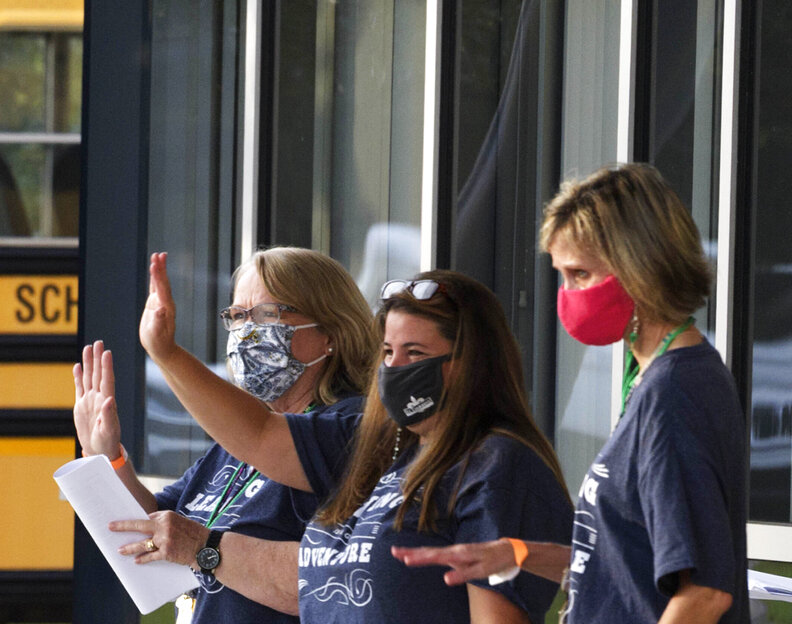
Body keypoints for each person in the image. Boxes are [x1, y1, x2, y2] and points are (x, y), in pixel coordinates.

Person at [391, 163, 749, 623]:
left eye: (580, 274)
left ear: (640, 268)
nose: (568, 295)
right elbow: (627, 568)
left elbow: (703, 593)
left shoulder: (674, 393)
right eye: (562, 275)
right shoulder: (652, 380)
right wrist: (519, 553)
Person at [139, 251, 574, 622]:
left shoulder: (496, 466)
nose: (395, 368)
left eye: (416, 353)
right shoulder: (390, 449)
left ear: (472, 362)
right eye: (388, 352)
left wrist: (167, 353)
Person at [73, 247, 376, 623]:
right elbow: (154, 528)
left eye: (268, 314)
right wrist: (106, 457)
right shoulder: (235, 447)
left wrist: (165, 353)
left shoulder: (350, 425)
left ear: (332, 331)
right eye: (236, 316)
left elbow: (322, 584)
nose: (247, 332)